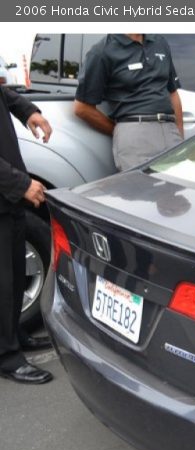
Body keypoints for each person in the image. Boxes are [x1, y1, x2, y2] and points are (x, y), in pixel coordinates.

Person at [1, 86, 54, 384]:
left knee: (15, 275)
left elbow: (4, 95)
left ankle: (13, 336)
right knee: (3, 281)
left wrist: (28, 111)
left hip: (8, 199)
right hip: (8, 188)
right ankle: (6, 357)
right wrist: (21, 183)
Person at [74, 34, 184, 172]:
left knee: (176, 190)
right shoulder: (101, 51)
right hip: (135, 134)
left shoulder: (160, 42)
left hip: (170, 131)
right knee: (143, 191)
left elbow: (172, 93)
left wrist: (180, 138)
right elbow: (82, 108)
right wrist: (119, 129)